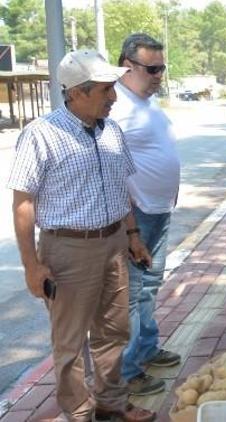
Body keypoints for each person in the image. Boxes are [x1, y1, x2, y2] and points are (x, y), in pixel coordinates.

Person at [8, 50, 155, 422]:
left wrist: (133, 236)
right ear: (76, 92)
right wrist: (31, 265)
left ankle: (111, 403)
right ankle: (78, 411)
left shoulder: (112, 132)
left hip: (113, 245)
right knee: (70, 342)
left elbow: (121, 190)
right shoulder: (42, 134)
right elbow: (23, 203)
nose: (114, 98)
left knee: (113, 332)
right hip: (67, 250)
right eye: (106, 90)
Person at [109, 33, 181, 397]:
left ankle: (147, 347)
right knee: (133, 295)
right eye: (152, 69)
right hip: (136, 215)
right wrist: (131, 227)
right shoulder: (116, 106)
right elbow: (111, 170)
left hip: (159, 209)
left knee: (150, 286)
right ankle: (128, 370)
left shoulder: (146, 103)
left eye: (161, 67)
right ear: (127, 65)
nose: (159, 75)